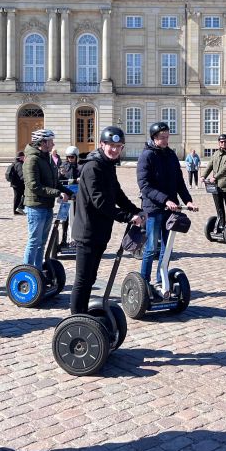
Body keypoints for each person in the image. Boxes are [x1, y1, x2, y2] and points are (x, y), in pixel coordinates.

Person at [70, 126, 143, 314]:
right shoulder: (93, 167)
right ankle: (77, 317)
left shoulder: (107, 165)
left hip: (100, 231)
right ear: (102, 144)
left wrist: (136, 210)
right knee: (83, 279)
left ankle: (83, 315)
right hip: (87, 232)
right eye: (111, 145)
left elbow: (117, 193)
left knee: (90, 278)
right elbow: (100, 202)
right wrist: (128, 217)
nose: (115, 150)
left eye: (119, 146)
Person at [137, 122, 194, 297]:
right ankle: (143, 284)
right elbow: (144, 186)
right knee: (151, 248)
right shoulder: (146, 156)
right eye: (162, 137)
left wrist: (188, 200)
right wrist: (165, 200)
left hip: (170, 209)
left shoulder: (170, 155)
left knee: (166, 248)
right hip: (153, 209)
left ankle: (161, 280)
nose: (165, 140)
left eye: (167, 137)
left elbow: (179, 181)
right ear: (154, 138)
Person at [23, 129, 74, 271]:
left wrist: (69, 192)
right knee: (34, 241)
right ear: (43, 142)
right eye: (51, 141)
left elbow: (54, 182)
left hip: (47, 206)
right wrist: (58, 193)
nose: (53, 143)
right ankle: (26, 272)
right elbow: (34, 186)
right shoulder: (32, 159)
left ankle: (38, 271)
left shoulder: (48, 158)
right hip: (36, 207)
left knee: (42, 243)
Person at [202, 134, 226, 233]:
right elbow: (210, 164)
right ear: (219, 143)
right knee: (219, 206)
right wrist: (203, 176)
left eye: (225, 142)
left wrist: (214, 177)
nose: (223, 143)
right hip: (215, 185)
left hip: (225, 184)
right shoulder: (216, 153)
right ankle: (221, 223)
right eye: (221, 142)